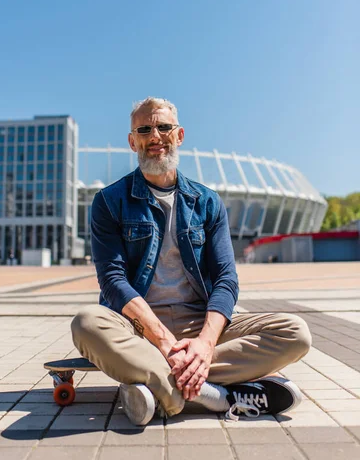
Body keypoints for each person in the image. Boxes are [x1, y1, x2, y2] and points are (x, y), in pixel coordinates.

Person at [71, 97, 311, 425]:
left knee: (295, 332)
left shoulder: (207, 202)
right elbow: (113, 281)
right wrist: (166, 343)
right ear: (132, 141)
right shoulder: (110, 202)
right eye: (144, 129)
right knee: (86, 323)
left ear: (179, 135)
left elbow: (226, 279)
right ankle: (219, 397)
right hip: (138, 328)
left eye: (164, 127)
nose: (155, 135)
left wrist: (204, 344)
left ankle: (161, 388)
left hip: (198, 324)